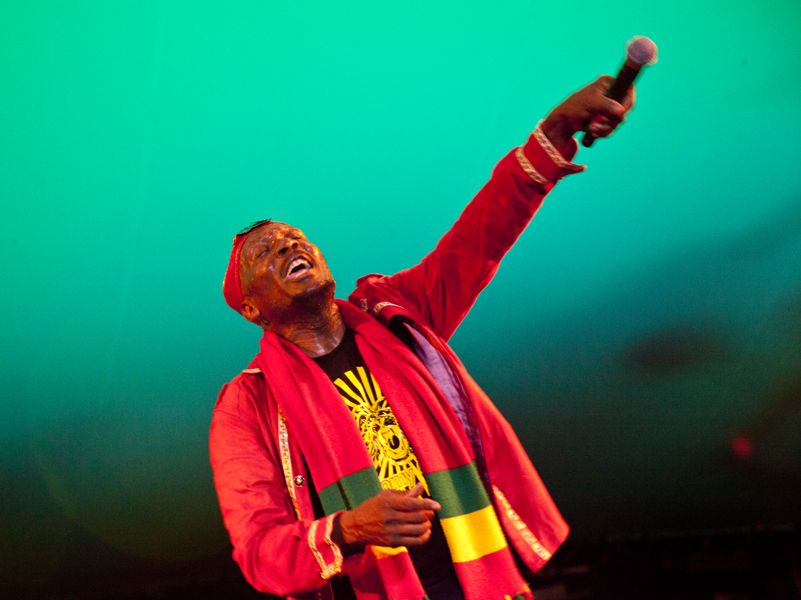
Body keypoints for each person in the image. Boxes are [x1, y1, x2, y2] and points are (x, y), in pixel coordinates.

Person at [210, 77, 635, 600]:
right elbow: (259, 553)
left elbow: (477, 241)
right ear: (251, 308)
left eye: (294, 237)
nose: (287, 244)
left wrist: (554, 131)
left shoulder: (395, 314)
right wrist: (348, 529)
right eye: (264, 253)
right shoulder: (247, 404)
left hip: (477, 581)